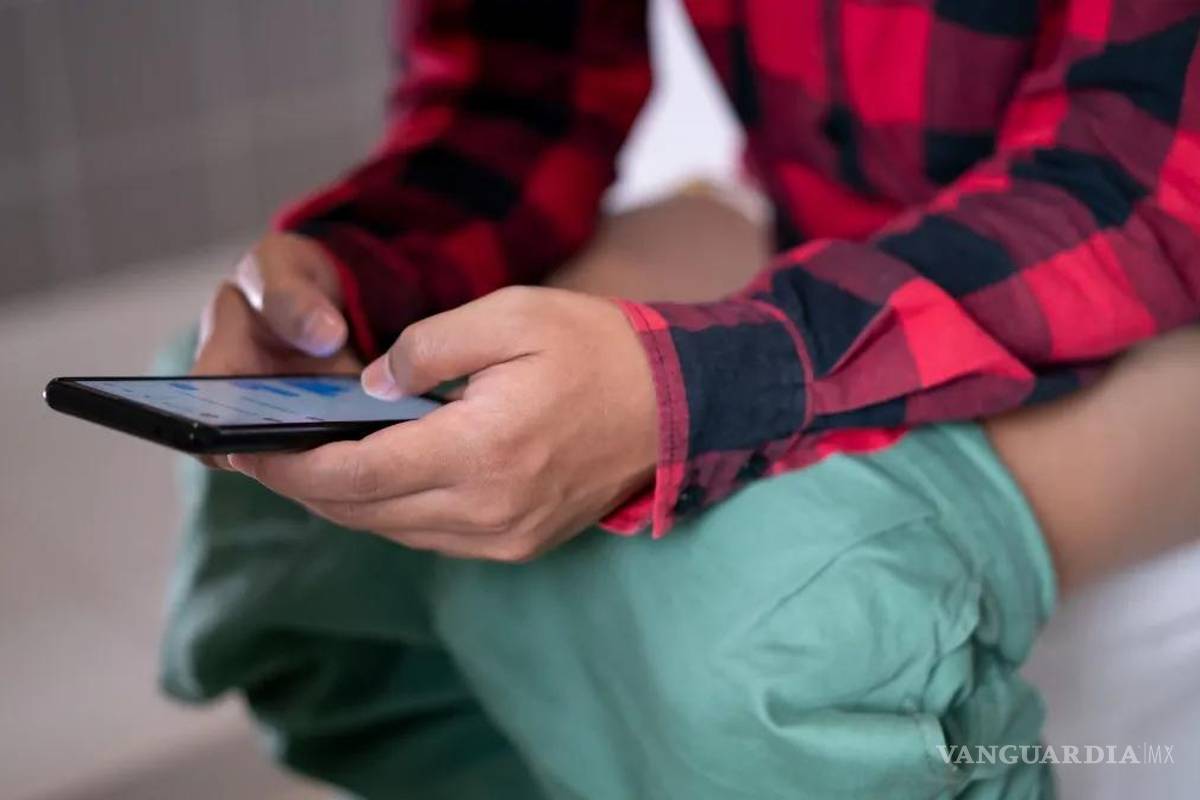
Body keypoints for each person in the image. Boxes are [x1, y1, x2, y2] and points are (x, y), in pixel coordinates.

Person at [166, 3, 1200, 798]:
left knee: (780, 624)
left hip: (1145, 250)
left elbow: (1130, 180)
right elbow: (526, 84)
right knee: (282, 507)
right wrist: (355, 266)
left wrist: (700, 388)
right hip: (835, 222)